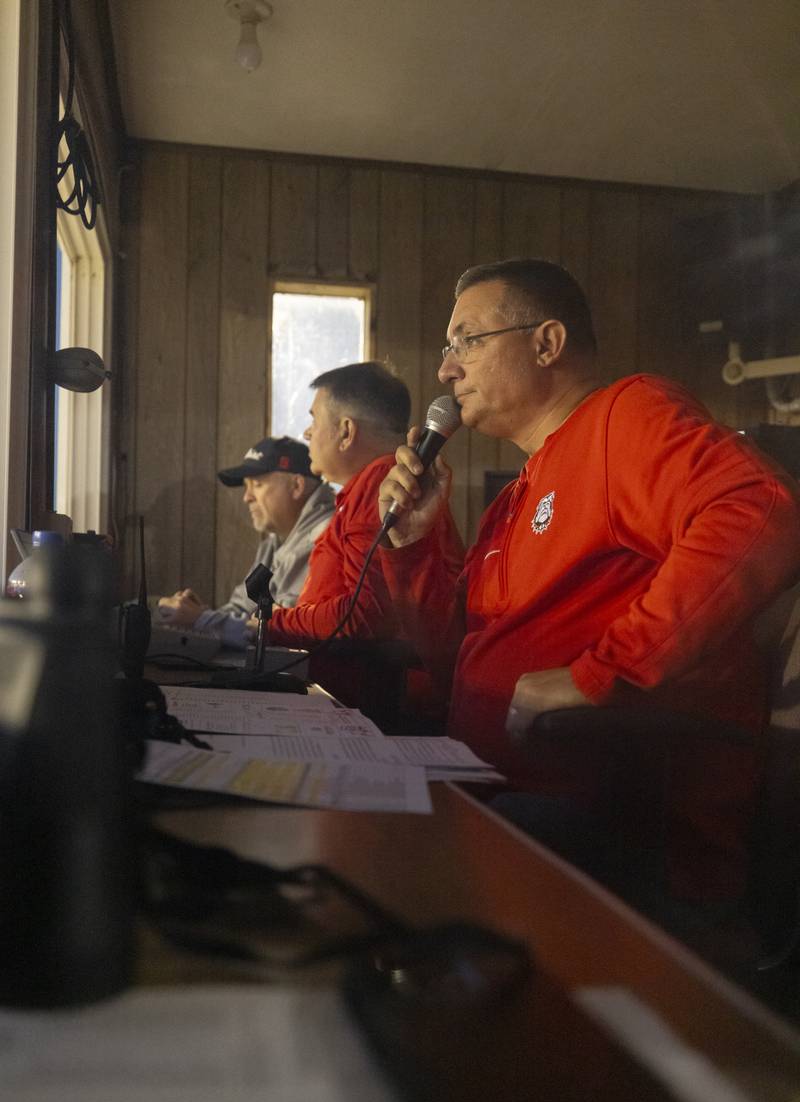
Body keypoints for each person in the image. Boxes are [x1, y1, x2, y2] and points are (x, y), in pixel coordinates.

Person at [377, 257, 800, 928]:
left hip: (604, 823)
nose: (445, 370)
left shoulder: (622, 416)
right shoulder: (512, 498)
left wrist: (604, 672)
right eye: (446, 348)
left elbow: (760, 509)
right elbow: (446, 662)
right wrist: (411, 547)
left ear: (546, 343)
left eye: (466, 341)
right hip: (491, 785)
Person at [263, 361, 464, 710]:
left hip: (369, 708)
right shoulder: (368, 485)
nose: (307, 433)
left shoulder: (380, 482)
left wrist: (268, 623)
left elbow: (360, 616)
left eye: (313, 419)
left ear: (346, 430)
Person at [157, 436, 334, 648]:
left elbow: (281, 631)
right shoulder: (275, 542)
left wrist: (201, 620)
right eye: (246, 486)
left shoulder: (324, 538)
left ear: (296, 486)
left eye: (257, 484)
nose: (247, 497)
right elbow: (243, 608)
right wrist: (190, 615)